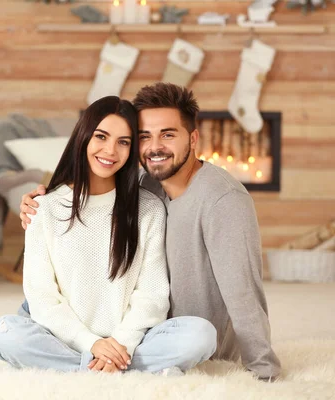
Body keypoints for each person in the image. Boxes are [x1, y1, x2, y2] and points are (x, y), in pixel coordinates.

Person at [19, 83, 281, 381]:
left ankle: (91, 363)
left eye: (168, 135)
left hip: (179, 335)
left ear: (193, 138)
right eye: (144, 137)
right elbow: (94, 180)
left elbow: (244, 293)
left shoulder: (223, 200)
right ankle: (101, 359)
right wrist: (39, 200)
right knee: (20, 317)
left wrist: (263, 370)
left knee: (199, 335)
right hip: (137, 331)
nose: (155, 147)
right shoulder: (145, 183)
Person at [0, 96, 217, 375]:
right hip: (65, 340)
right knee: (4, 333)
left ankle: (83, 371)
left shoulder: (148, 209)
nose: (110, 150)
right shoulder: (44, 208)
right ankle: (116, 370)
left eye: (123, 142)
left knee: (201, 335)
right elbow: (42, 298)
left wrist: (120, 343)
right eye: (101, 136)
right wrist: (92, 344)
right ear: (83, 137)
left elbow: (152, 296)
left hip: (130, 343)